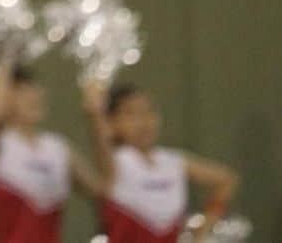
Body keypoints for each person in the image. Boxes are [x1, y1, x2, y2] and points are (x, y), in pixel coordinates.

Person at [84, 81, 239, 242]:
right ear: (111, 123)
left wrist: (202, 231)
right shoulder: (115, 164)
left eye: (149, 111)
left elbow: (226, 180)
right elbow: (100, 141)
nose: (143, 121)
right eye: (131, 113)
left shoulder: (172, 162)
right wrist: (95, 115)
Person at [0, 61, 103, 243]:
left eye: (33, 88)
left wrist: (96, 116)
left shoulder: (57, 148)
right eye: (20, 91)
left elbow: (103, 194)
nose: (31, 96)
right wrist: (7, 55)